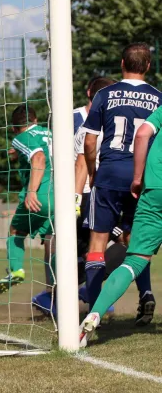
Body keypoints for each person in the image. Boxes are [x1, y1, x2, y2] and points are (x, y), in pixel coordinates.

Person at [83, 43, 161, 326]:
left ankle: (94, 311)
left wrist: (93, 172)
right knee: (137, 242)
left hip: (110, 174)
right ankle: (146, 294)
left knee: (98, 242)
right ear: (149, 66)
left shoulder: (105, 93)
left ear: (121, 63)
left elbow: (90, 141)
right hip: (145, 178)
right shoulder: (158, 97)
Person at [32, 77, 117, 316]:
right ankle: (54, 295)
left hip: (102, 192)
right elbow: (63, 158)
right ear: (89, 93)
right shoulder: (70, 119)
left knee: (105, 245)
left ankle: (88, 289)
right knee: (56, 240)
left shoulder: (113, 118)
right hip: (75, 192)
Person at [0, 105, 55, 294]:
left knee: (16, 230)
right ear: (35, 121)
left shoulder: (19, 137)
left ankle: (16, 270)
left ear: (14, 128)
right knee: (52, 242)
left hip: (42, 197)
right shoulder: (50, 133)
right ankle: (55, 293)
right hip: (65, 196)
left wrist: (31, 191)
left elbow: (38, 157)